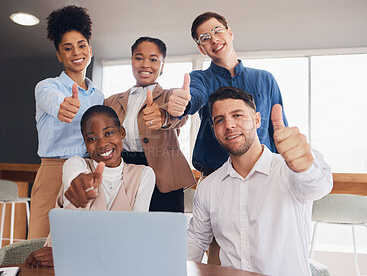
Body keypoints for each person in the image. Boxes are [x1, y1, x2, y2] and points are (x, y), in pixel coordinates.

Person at [187, 87, 333, 276]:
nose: (229, 125)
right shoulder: (209, 187)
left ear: (257, 120)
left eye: (237, 115)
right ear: (214, 130)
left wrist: (305, 165)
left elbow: (319, 186)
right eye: (220, 120)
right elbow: (196, 240)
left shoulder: (288, 171)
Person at [25, 105, 155, 267]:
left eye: (108, 133)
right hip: (62, 265)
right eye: (92, 139)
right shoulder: (75, 164)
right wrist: (79, 184)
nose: (102, 143)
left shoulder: (143, 175)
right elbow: (74, 178)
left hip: (113, 265)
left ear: (121, 133)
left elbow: (135, 236)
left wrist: (70, 253)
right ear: (85, 143)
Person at [166, 12, 288, 177]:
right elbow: (195, 96)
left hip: (266, 175)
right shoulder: (199, 79)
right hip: (216, 177)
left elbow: (280, 131)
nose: (214, 40)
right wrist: (184, 104)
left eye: (217, 30)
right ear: (201, 49)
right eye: (205, 37)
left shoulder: (265, 79)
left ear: (230, 33)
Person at [29, 5, 104, 239]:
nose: (76, 52)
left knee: (81, 243)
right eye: (67, 48)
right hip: (53, 170)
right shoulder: (47, 87)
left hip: (86, 170)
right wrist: (62, 106)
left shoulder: (99, 96)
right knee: (40, 243)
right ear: (59, 55)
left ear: (90, 50)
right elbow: (53, 101)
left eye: (81, 46)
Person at [104, 37, 196, 212]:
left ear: (162, 65)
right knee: (126, 231)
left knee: (164, 233)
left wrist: (166, 115)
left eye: (153, 59)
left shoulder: (171, 96)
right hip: (123, 172)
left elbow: (180, 117)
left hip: (163, 175)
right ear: (131, 61)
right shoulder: (111, 101)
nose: (145, 64)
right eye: (139, 58)